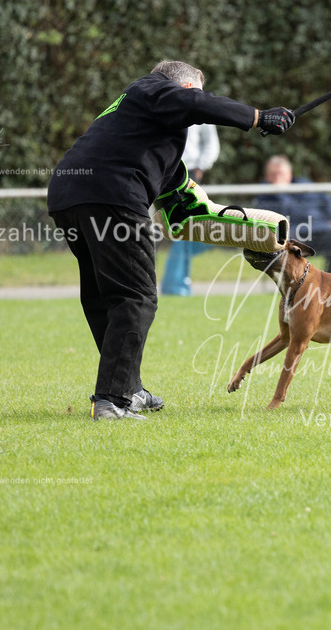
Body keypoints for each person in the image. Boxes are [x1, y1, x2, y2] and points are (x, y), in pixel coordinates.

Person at [46, 59, 294, 421]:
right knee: (137, 297)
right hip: (111, 198)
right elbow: (194, 104)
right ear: (185, 87)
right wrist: (258, 117)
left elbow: (180, 196)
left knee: (105, 298)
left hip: (68, 200)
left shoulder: (136, 116)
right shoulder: (154, 88)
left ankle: (127, 389)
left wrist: (242, 229)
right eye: (195, 91)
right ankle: (112, 400)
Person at [252, 155, 331, 273]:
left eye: (281, 174)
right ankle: (296, 285)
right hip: (293, 235)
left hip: (319, 229)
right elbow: (287, 214)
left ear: (290, 174)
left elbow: (328, 202)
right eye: (273, 175)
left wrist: (328, 219)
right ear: (267, 177)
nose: (278, 178)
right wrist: (280, 192)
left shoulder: (304, 184)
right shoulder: (264, 195)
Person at [160, 123, 220, 296]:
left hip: (186, 173)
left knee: (188, 230)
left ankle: (175, 283)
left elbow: (211, 142)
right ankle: (174, 284)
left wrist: (201, 165)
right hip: (160, 170)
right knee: (176, 231)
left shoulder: (199, 100)